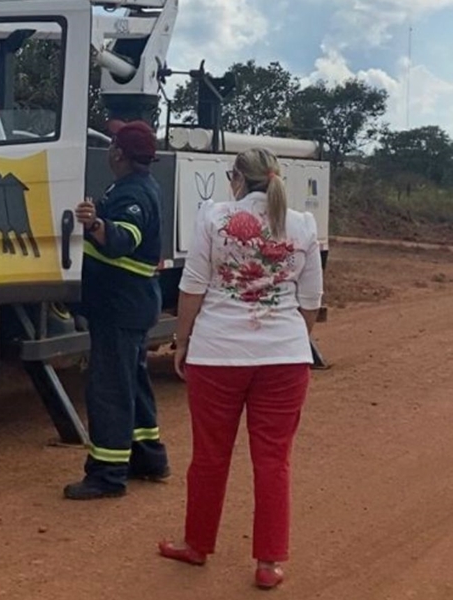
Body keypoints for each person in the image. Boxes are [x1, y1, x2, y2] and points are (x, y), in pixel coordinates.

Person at [158, 147, 323, 589]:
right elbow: (310, 301)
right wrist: (288, 336)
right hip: (285, 357)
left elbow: (192, 287)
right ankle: (269, 562)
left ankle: (197, 544)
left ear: (236, 178)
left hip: (218, 353)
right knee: (274, 461)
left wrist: (183, 341)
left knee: (210, 456)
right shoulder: (303, 224)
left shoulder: (214, 217)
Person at [64, 119, 170, 501]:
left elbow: (124, 238)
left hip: (120, 307)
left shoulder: (135, 194)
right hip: (130, 305)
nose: (108, 150)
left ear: (120, 155)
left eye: (111, 145)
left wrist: (95, 225)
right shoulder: (132, 186)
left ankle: (107, 474)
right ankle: (148, 457)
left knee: (109, 389)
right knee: (132, 384)